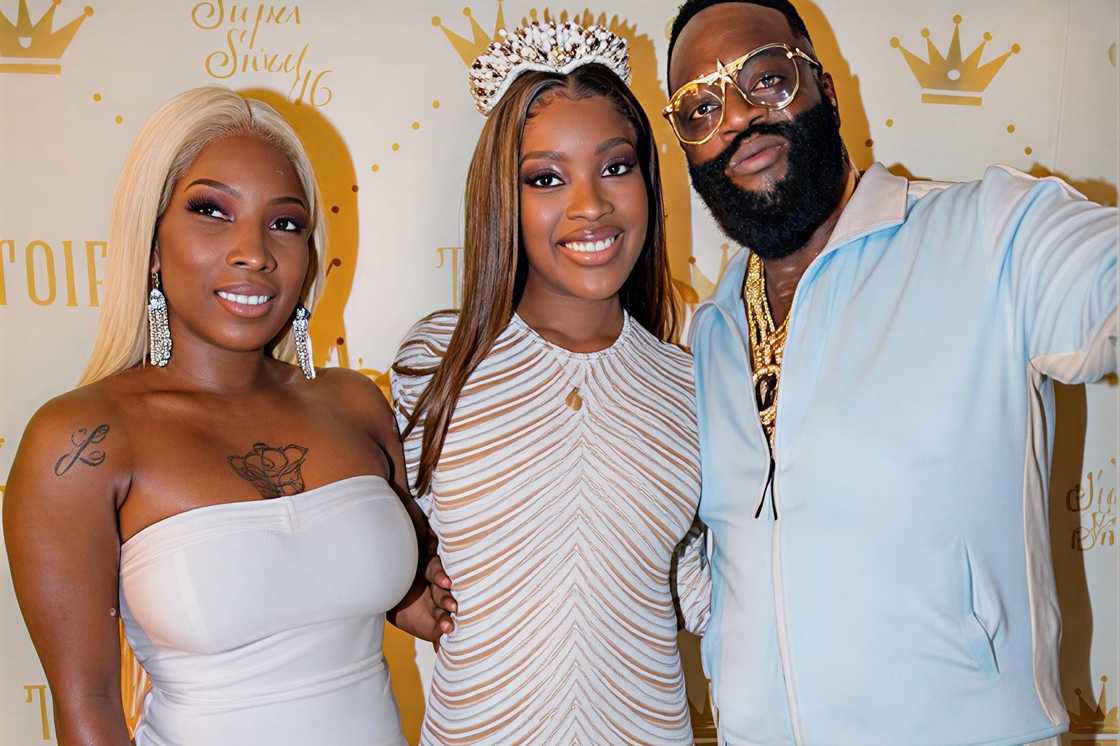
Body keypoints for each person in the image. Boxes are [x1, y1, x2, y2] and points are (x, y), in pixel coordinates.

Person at [662, 1, 1118, 744]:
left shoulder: (988, 235)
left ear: (826, 90)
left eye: (767, 79)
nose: (739, 116)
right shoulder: (703, 336)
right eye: (701, 107)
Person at [2, 86, 442, 746]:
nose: (253, 251)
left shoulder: (355, 404)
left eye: (285, 223)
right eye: (212, 211)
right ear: (151, 244)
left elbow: (411, 599)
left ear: (310, 259)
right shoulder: (82, 441)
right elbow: (88, 710)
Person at [392, 21, 710, 745]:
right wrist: (403, 588)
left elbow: (699, 591)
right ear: (502, 198)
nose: (589, 205)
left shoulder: (689, 383)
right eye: (546, 178)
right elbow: (380, 535)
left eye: (616, 167)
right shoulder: (437, 361)